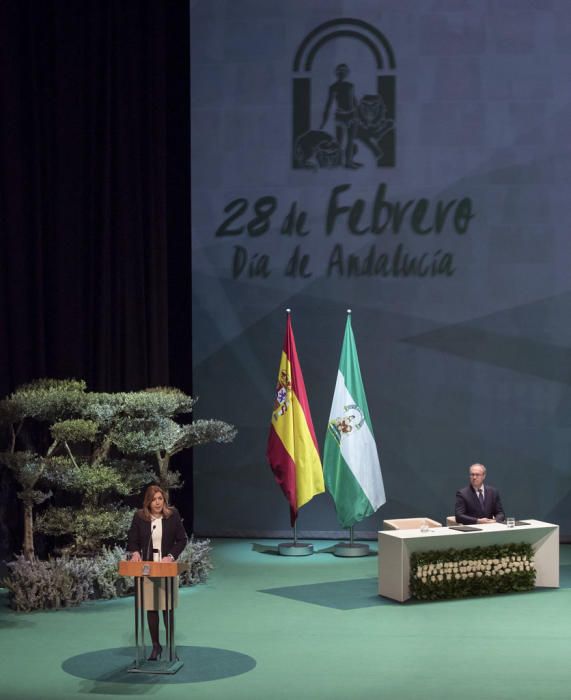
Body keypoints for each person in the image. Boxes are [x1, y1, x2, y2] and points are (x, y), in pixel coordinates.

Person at [127, 484, 188, 661]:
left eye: (160, 499)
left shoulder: (172, 515)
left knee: (167, 609)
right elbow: (132, 540)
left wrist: (171, 556)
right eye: (154, 499)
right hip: (147, 570)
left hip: (166, 568)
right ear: (148, 501)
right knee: (151, 609)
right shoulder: (140, 517)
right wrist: (136, 552)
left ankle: (171, 646)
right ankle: (156, 646)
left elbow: (182, 539)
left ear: (164, 500)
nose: (157, 502)